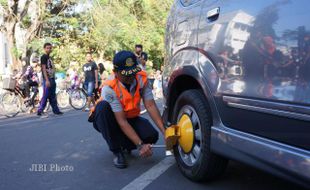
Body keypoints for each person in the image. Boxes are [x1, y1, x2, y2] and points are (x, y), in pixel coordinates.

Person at [91, 51, 165, 169]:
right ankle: (117, 151)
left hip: (129, 117)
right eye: (126, 75)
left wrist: (165, 132)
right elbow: (122, 122)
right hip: (110, 119)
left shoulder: (141, 78)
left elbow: (150, 106)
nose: (131, 78)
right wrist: (140, 145)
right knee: (102, 108)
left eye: (132, 73)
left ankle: (126, 145)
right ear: (116, 72)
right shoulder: (109, 87)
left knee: (151, 135)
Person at [37, 43, 63, 116]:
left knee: (52, 95)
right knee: (46, 95)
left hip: (52, 78)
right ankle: (40, 110)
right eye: (47, 48)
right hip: (47, 79)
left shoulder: (49, 58)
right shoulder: (43, 57)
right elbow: (43, 68)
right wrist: (47, 80)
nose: (49, 49)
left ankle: (56, 110)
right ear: (44, 49)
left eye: (50, 48)